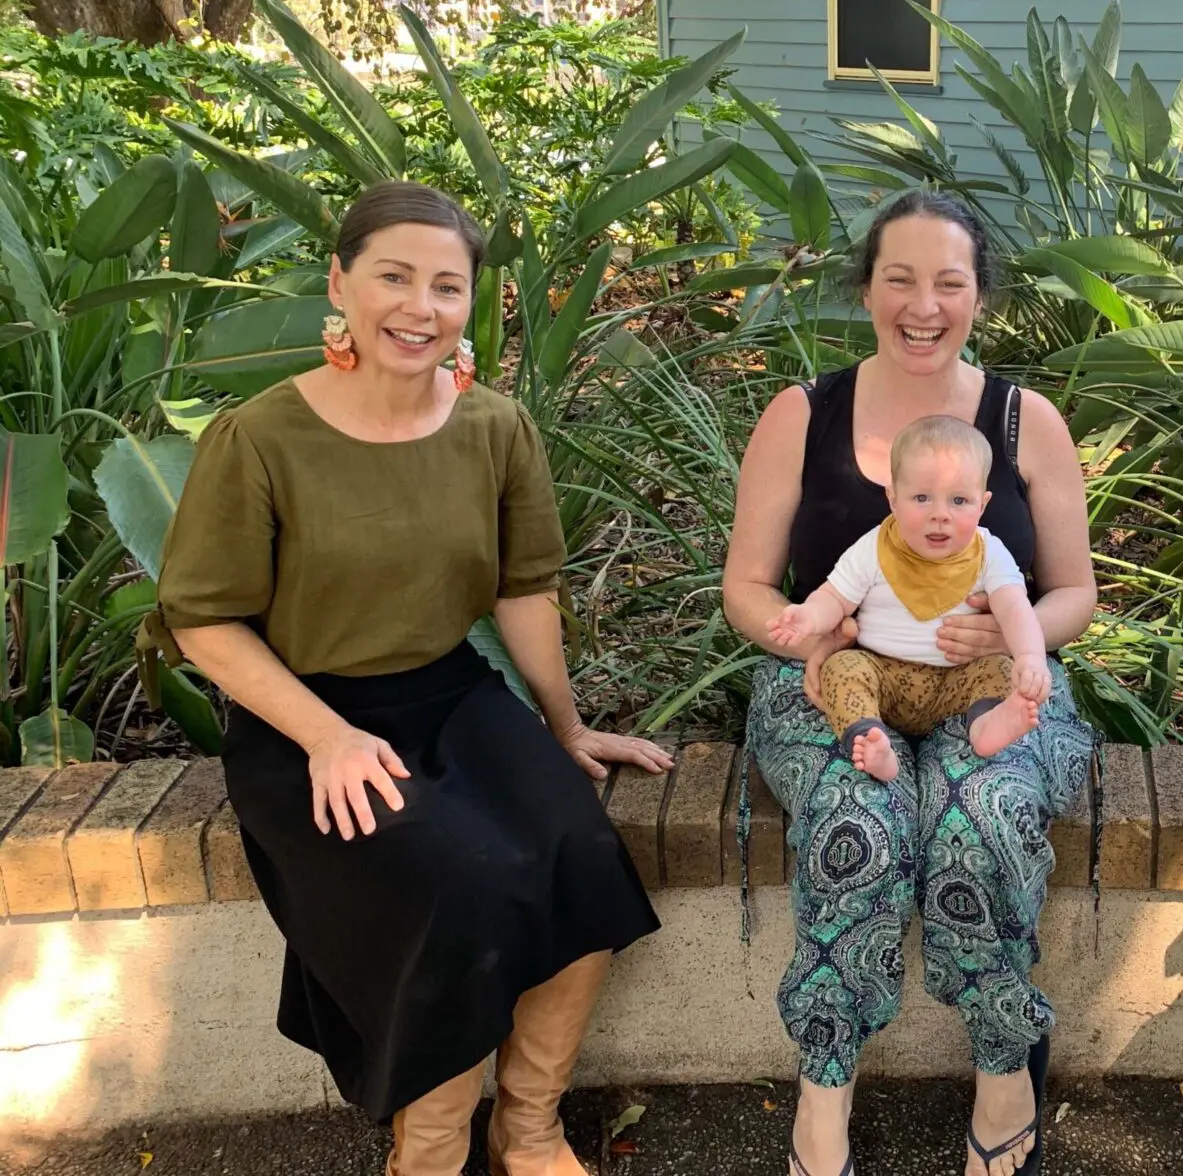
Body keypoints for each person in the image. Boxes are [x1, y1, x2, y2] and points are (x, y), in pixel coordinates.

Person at [154, 181, 672, 1176]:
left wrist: (564, 729)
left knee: (584, 859)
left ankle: (528, 1126)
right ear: (340, 284)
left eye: (447, 286)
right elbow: (202, 620)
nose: (419, 306)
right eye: (394, 277)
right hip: (304, 721)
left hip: (451, 694)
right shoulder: (260, 438)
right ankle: (427, 1150)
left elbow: (524, 590)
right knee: (455, 896)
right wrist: (324, 736)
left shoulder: (495, 428)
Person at [722, 190, 1098, 1176]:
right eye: (900, 279)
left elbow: (1074, 598)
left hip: (991, 685)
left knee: (983, 815)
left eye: (949, 282)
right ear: (867, 289)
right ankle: (826, 1085)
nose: (923, 305)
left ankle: (1006, 1066)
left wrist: (1013, 637)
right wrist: (805, 628)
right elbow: (748, 588)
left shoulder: (1026, 422)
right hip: (836, 683)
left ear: (980, 296)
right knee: (859, 814)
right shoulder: (803, 415)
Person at [766, 412, 1051, 783]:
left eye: (959, 500)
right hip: (883, 672)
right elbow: (835, 598)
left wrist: (1029, 657)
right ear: (893, 499)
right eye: (921, 498)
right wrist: (807, 617)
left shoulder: (988, 554)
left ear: (983, 504)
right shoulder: (874, 548)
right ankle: (871, 738)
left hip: (958, 679)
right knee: (841, 670)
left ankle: (987, 725)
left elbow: (1015, 609)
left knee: (997, 670)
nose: (940, 515)